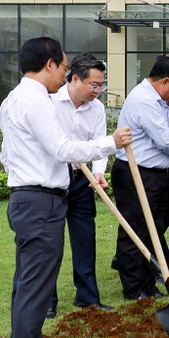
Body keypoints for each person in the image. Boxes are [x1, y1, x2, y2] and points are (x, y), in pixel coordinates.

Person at [0, 37, 131, 338]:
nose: (64, 73)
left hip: (29, 198)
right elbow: (63, 149)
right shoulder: (37, 101)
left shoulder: (14, 99)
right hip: (40, 201)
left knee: (28, 283)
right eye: (63, 65)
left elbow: (6, 154)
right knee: (35, 285)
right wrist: (110, 143)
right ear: (50, 65)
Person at [113, 56, 169, 300]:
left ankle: (148, 281)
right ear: (165, 81)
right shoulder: (143, 100)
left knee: (158, 226)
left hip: (158, 174)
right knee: (137, 229)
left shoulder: (166, 100)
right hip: (136, 173)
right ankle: (133, 288)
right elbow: (165, 139)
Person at [48, 53, 115, 321]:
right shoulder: (50, 103)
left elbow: (100, 145)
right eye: (94, 85)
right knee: (51, 244)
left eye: (102, 85)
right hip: (53, 180)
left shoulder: (96, 108)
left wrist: (98, 174)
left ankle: (87, 297)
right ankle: (47, 302)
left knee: (85, 240)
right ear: (75, 78)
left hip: (82, 182)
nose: (98, 91)